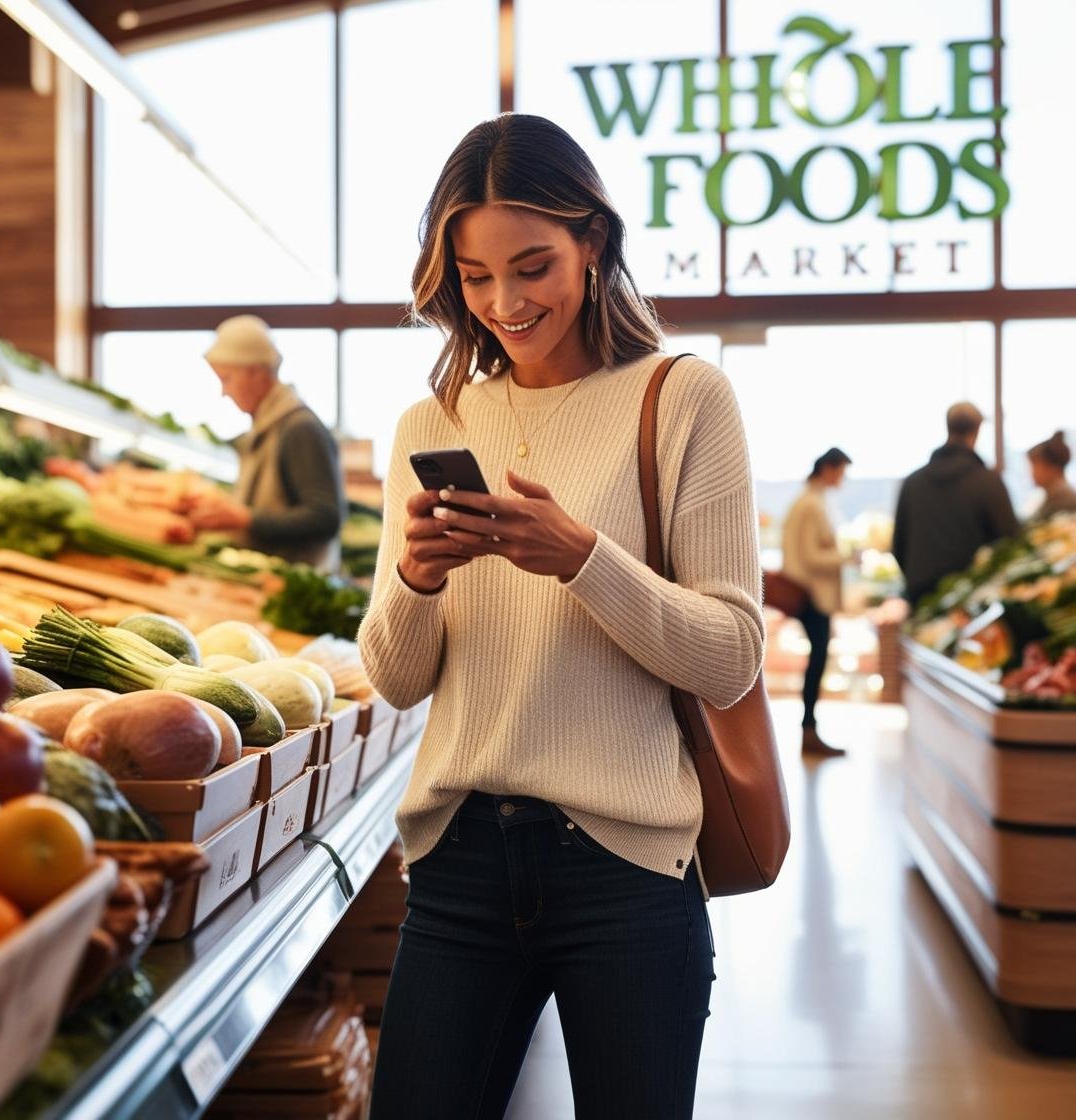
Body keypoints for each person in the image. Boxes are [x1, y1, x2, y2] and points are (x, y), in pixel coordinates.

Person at [357, 114, 763, 1119]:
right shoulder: (433, 421)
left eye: (532, 264)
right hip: (457, 862)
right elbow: (395, 674)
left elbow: (732, 657)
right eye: (475, 274)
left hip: (627, 870)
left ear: (594, 239)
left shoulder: (682, 398)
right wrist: (414, 576)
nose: (504, 301)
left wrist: (583, 560)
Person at [188, 315, 347, 569]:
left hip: (295, 590)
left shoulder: (299, 428)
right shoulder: (268, 425)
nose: (224, 392)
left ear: (256, 372)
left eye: (226, 379)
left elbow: (325, 517)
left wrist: (246, 519)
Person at [892, 402, 1019, 607]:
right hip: (974, 603)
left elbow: (898, 546)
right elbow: (1009, 542)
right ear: (976, 431)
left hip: (921, 598)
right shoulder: (987, 482)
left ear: (948, 427)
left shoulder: (912, 483)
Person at [781, 448, 852, 758]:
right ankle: (809, 729)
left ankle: (810, 728)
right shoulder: (810, 504)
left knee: (819, 659)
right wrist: (848, 556)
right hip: (812, 595)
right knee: (818, 660)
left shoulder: (812, 501)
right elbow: (810, 556)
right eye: (841, 471)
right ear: (828, 468)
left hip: (812, 595)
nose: (842, 479)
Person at [1027, 431, 1076, 521]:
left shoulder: (1063, 498)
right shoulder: (1054, 494)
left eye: (1034, 466)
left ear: (1051, 467)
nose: (1030, 473)